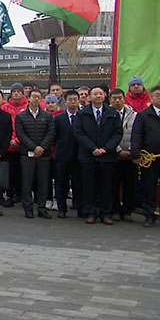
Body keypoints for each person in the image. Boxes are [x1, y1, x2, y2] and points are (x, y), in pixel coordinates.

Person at [73, 85, 122, 225]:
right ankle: (91, 212)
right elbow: (78, 133)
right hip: (88, 155)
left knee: (107, 186)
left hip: (107, 156)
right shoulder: (82, 114)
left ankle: (106, 213)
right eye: (95, 94)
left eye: (100, 94)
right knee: (89, 185)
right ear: (89, 97)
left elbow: (117, 133)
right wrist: (93, 148)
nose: (98, 96)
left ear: (105, 96)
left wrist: (106, 148)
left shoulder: (113, 113)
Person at [15, 89, 56, 219]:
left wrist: (42, 147)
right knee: (27, 183)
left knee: (43, 183)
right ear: (29, 98)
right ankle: (28, 208)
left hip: (44, 154)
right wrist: (33, 147)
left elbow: (51, 133)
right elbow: (20, 134)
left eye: (39, 97)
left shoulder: (47, 116)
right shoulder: (21, 116)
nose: (36, 99)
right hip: (27, 154)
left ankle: (42, 208)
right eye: (34, 97)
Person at [130, 85, 160, 227]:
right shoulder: (143, 115)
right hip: (150, 158)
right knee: (149, 187)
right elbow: (136, 136)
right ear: (152, 97)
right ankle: (149, 215)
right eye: (157, 95)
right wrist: (136, 154)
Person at [109, 88, 137, 221]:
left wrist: (131, 150)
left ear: (124, 98)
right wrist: (118, 150)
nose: (117, 100)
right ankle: (114, 209)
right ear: (110, 100)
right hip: (113, 155)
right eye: (114, 98)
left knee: (129, 184)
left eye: (119, 98)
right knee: (113, 184)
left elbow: (137, 134)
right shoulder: (106, 114)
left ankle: (127, 210)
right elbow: (107, 135)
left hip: (130, 155)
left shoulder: (134, 115)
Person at [53, 90, 83, 218]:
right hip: (63, 155)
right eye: (70, 100)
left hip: (79, 156)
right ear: (65, 102)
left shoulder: (83, 116)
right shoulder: (59, 118)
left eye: (75, 99)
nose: (72, 102)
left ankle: (80, 207)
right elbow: (55, 137)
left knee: (79, 183)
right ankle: (62, 208)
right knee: (61, 183)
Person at [1, 83, 29, 206]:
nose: (16, 93)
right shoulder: (5, 107)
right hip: (8, 145)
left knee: (23, 172)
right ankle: (10, 195)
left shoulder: (28, 107)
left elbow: (27, 127)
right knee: (10, 171)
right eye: (14, 91)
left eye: (18, 91)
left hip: (24, 144)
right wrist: (11, 139)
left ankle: (21, 194)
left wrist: (18, 140)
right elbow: (4, 126)